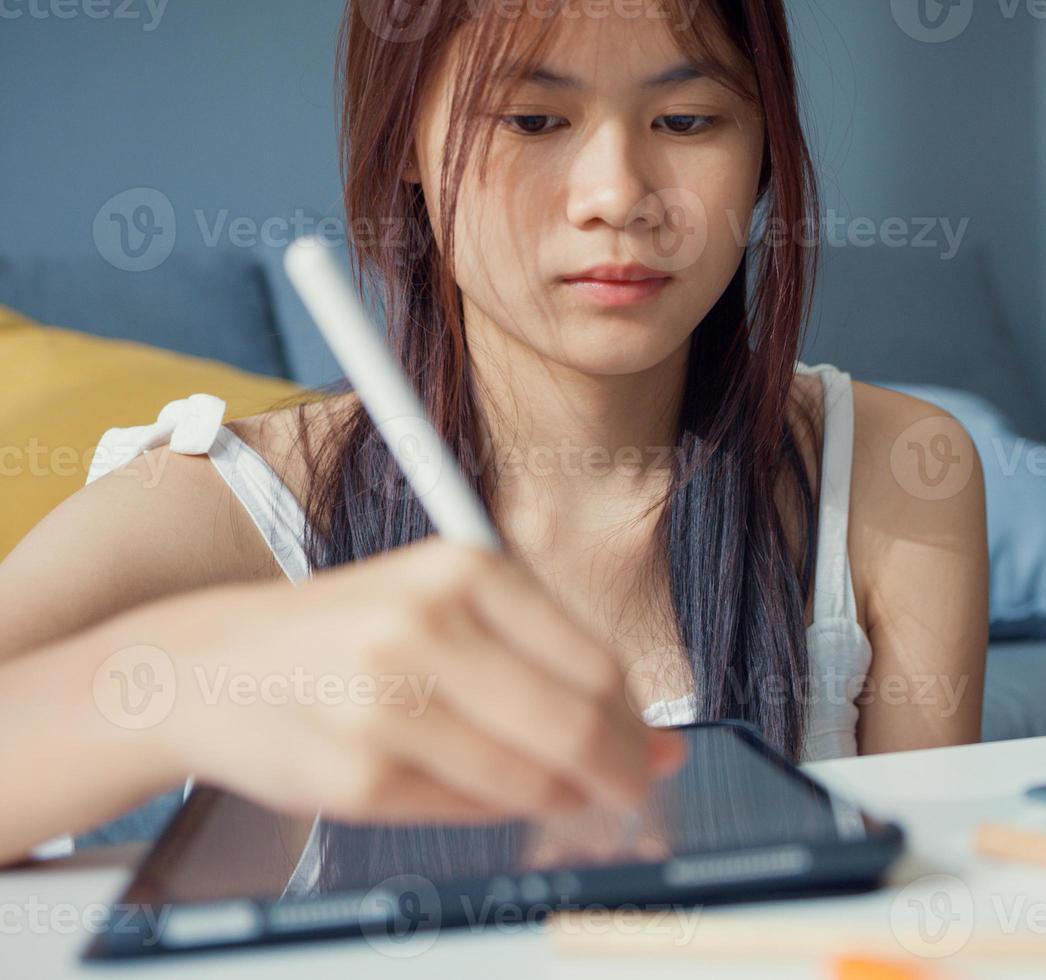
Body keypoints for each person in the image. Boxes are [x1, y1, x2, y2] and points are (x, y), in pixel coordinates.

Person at [0, 0, 988, 868]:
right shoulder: (216, 504)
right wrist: (189, 679)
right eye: (532, 117)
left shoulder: (899, 477)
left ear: (764, 149)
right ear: (405, 147)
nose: (615, 194)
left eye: (686, 118)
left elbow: (936, 909)